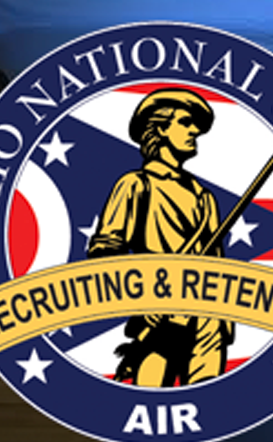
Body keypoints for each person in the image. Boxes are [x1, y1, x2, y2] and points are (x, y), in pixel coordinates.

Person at [85, 87, 234, 387]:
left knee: (208, 407)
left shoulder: (204, 197)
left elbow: (217, 262)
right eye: (185, 122)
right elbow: (106, 253)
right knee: (153, 398)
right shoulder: (135, 184)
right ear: (160, 129)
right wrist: (142, 301)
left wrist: (224, 322)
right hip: (160, 315)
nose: (195, 131)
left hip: (209, 318)